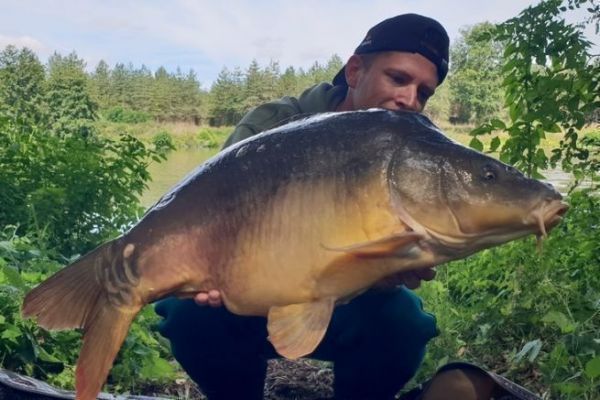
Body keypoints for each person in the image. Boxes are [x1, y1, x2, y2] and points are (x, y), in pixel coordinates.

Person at [155, 13, 449, 400]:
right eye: (397, 78)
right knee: (187, 315)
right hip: (250, 288)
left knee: (405, 325)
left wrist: (383, 271)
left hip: (346, 297)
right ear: (356, 70)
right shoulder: (275, 124)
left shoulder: (416, 147)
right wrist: (215, 269)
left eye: (423, 92)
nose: (409, 99)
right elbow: (216, 212)